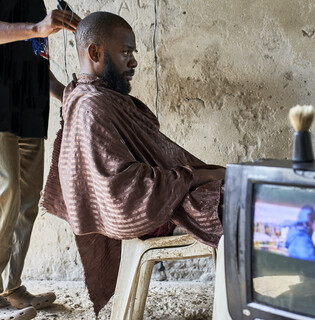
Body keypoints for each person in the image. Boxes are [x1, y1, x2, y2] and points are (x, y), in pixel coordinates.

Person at [41, 11, 225, 315]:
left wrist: (202, 175)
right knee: (240, 207)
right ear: (96, 53)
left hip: (173, 190)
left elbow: (72, 93)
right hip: (160, 208)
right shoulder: (90, 105)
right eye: (127, 52)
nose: (134, 62)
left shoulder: (88, 97)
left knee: (243, 190)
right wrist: (195, 175)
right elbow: (124, 193)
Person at [0, 1, 80, 319]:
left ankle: (11, 286)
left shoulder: (37, 2)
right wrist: (38, 28)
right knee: (7, 194)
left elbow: (34, 63)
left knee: (27, 202)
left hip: (31, 114)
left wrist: (69, 93)